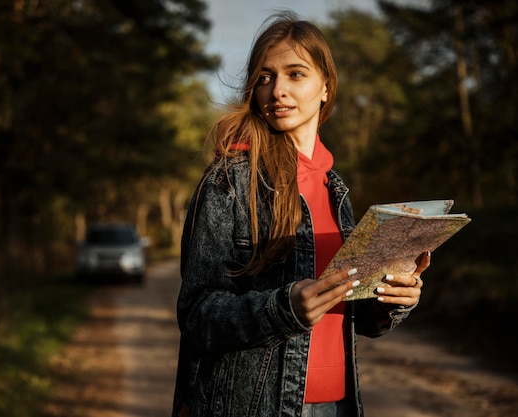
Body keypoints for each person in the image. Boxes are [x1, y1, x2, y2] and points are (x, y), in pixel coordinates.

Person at [171, 11, 429, 417]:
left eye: (295, 74)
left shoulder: (335, 187)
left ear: (326, 87)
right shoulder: (229, 181)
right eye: (265, 77)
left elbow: (350, 312)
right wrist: (282, 309)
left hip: (339, 405)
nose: (277, 91)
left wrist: (392, 300)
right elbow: (198, 315)